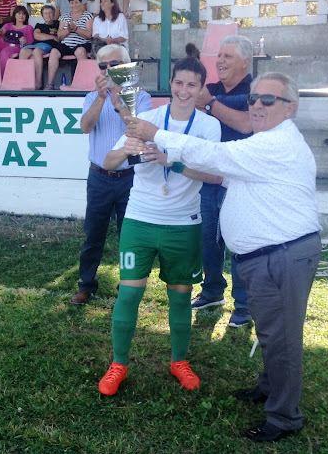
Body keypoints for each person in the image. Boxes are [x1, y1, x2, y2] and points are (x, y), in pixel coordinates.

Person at [125, 72, 321, 443]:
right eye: (253, 99)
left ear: (290, 108)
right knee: (272, 332)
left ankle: (284, 418)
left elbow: (216, 156)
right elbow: (220, 174)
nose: (257, 105)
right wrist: (172, 162)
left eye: (268, 100)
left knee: (282, 340)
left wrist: (157, 134)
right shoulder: (263, 143)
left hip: (280, 257)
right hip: (268, 257)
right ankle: (269, 387)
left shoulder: (276, 143)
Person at [97, 44, 222, 396]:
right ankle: (118, 364)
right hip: (140, 219)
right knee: (128, 294)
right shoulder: (147, 118)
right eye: (179, 83)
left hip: (184, 224)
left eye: (192, 85)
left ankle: (179, 361)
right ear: (171, 83)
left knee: (180, 298)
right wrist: (126, 150)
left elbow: (214, 175)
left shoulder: (209, 126)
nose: (184, 90)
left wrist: (172, 162)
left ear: (201, 88)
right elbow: (108, 162)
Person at [70, 44, 151, 306]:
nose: (108, 70)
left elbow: (141, 131)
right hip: (99, 177)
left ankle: (127, 285)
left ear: (126, 67)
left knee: (129, 236)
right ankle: (86, 285)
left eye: (114, 65)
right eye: (103, 66)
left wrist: (118, 103)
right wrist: (101, 98)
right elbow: (85, 127)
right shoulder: (92, 97)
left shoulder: (141, 97)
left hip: (130, 177)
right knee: (93, 235)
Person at [193, 35, 254, 328]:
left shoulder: (255, 90)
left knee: (239, 243)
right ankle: (212, 291)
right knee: (208, 239)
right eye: (219, 55)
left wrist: (210, 105)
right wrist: (209, 103)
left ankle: (243, 305)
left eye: (227, 56)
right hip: (210, 177)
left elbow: (245, 123)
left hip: (240, 182)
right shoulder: (212, 89)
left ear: (245, 62)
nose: (220, 61)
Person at [45, 0, 93, 90]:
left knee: (80, 51)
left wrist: (76, 28)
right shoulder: (65, 16)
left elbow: (89, 35)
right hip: (66, 45)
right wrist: (67, 30)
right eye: (72, 3)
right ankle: (50, 84)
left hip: (81, 44)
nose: (74, 5)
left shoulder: (88, 16)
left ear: (80, 2)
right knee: (54, 52)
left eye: (76, 2)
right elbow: (59, 36)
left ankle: (83, 84)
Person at [0, 5, 34, 75]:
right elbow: (2, 30)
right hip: (4, 44)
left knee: (4, 53)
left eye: (23, 14)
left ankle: (1, 76)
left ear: (26, 16)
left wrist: (25, 42)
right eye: (19, 13)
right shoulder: (8, 25)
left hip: (15, 47)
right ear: (15, 15)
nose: (21, 16)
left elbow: (31, 44)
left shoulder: (28, 28)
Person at [18, 5, 59, 90]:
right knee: (23, 51)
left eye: (50, 13)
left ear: (54, 14)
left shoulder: (57, 24)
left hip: (49, 46)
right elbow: (36, 35)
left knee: (36, 51)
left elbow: (59, 37)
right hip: (36, 45)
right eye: (46, 13)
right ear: (42, 15)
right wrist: (52, 37)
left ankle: (38, 82)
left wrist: (44, 36)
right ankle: (23, 81)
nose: (48, 15)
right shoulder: (39, 25)